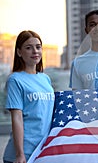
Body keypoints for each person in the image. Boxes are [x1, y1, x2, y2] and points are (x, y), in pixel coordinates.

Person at [3, 30, 55, 163]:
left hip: (43, 150)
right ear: (19, 52)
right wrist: (20, 154)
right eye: (28, 47)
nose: (35, 51)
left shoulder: (45, 79)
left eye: (38, 47)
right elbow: (17, 117)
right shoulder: (15, 80)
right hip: (23, 154)